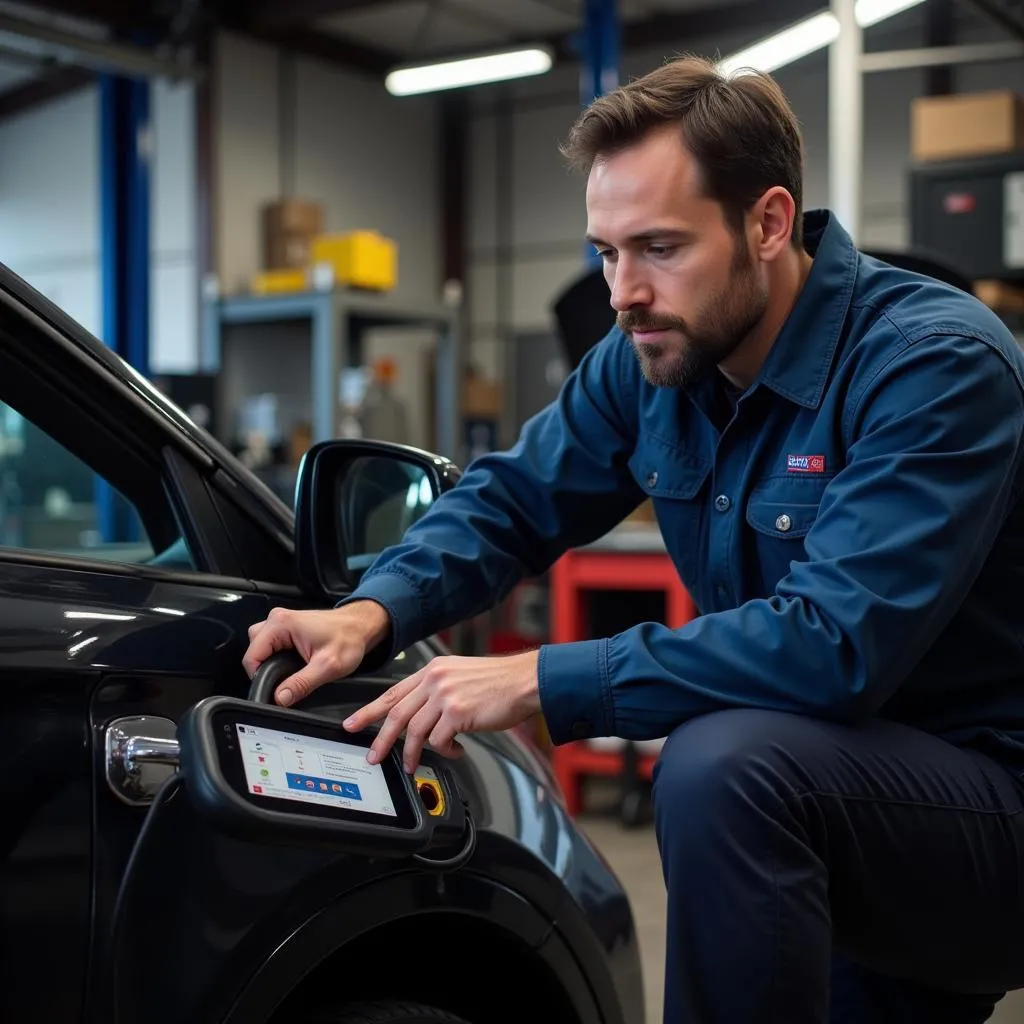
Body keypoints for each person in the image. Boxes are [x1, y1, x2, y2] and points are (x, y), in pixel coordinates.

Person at [243, 55, 1024, 1023]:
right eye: (606, 252)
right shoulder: (649, 356)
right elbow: (515, 497)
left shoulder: (932, 365)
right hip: (831, 796)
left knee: (721, 763)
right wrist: (371, 608)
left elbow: (833, 645)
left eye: (657, 247)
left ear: (769, 223)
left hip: (986, 816)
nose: (621, 292)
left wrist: (535, 678)